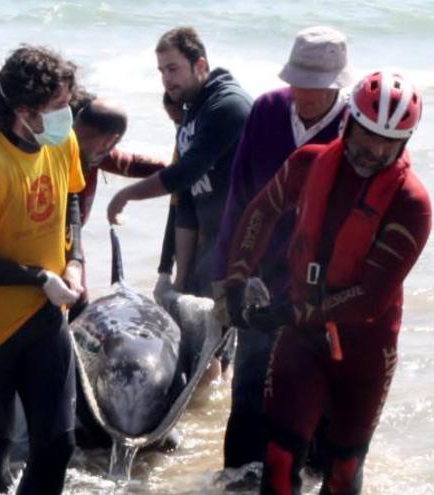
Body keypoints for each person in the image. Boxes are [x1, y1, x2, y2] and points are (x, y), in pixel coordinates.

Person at [223, 71, 431, 494]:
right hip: (302, 339)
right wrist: (236, 279)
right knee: (279, 459)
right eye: (367, 134)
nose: (373, 150)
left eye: (388, 142)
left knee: (342, 471)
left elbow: (371, 299)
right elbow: (261, 212)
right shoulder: (308, 163)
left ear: (405, 142)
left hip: (366, 350)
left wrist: (290, 311)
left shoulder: (412, 204)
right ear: (349, 122)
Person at [211, 26, 355, 471]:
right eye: (298, 83)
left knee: (320, 387)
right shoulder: (268, 109)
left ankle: (310, 472)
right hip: (260, 273)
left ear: (337, 85)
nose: (303, 95)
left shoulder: (356, 127)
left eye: (315, 88)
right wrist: (227, 274)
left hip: (325, 284)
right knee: (251, 381)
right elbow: (241, 194)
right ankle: (238, 473)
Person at [0, 45, 84, 494]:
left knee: (59, 442)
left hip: (45, 314)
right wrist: (39, 277)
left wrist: (75, 260)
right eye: (60, 107)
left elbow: (71, 199)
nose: (69, 115)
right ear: (24, 112)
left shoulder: (59, 139)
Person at [106, 26, 252, 297]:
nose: (166, 79)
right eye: (161, 71)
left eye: (173, 69)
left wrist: (127, 194)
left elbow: (185, 173)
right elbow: (185, 197)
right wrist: (177, 275)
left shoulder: (229, 105)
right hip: (208, 243)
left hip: (240, 244)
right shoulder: (192, 111)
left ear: (200, 65)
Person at [67, 96, 168, 318]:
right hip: (46, 245)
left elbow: (135, 164)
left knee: (80, 305)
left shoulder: (97, 153)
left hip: (72, 242)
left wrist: (185, 170)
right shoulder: (56, 152)